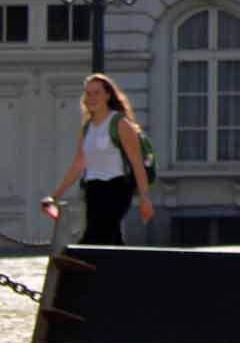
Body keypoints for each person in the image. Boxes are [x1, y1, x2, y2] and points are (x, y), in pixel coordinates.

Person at [40, 74, 154, 245]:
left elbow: (137, 164)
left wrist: (145, 199)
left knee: (97, 234)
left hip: (117, 187)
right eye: (88, 93)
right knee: (109, 238)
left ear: (108, 95)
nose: (91, 98)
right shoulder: (88, 128)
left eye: (96, 93)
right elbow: (78, 165)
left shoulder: (119, 123)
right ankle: (119, 270)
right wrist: (54, 196)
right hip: (93, 189)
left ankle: (81, 266)